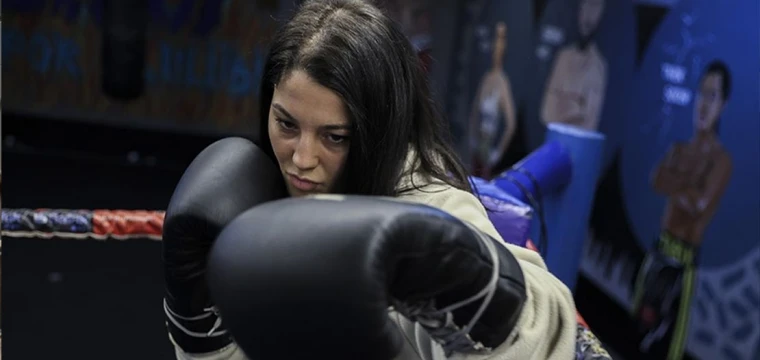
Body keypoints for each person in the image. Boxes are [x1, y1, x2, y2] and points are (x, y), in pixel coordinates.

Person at [162, 1, 577, 359]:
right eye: (286, 124)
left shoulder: (424, 203)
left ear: (379, 132)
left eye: (335, 136)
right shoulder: (252, 198)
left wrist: (472, 292)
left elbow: (545, 343)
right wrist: (201, 338)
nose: (302, 159)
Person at [632, 60, 733, 360]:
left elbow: (698, 203)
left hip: (683, 264)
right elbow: (657, 179)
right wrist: (687, 184)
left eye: (712, 96)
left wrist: (677, 182)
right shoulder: (679, 149)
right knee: (636, 328)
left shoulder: (721, 161)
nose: (703, 104)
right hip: (659, 251)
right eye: (701, 94)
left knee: (667, 347)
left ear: (723, 105)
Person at [540, 0, 607, 131]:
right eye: (584, 6)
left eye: (594, 6)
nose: (588, 13)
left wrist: (564, 102)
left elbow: (590, 122)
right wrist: (577, 105)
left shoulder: (599, 67)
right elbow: (547, 112)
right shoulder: (563, 56)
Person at [468, 22, 517, 179]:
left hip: (489, 143)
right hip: (478, 142)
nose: (497, 49)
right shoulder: (486, 78)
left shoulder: (503, 83)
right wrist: (472, 136)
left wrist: (499, 151)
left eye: (500, 45)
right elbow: (475, 110)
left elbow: (511, 124)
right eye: (495, 45)